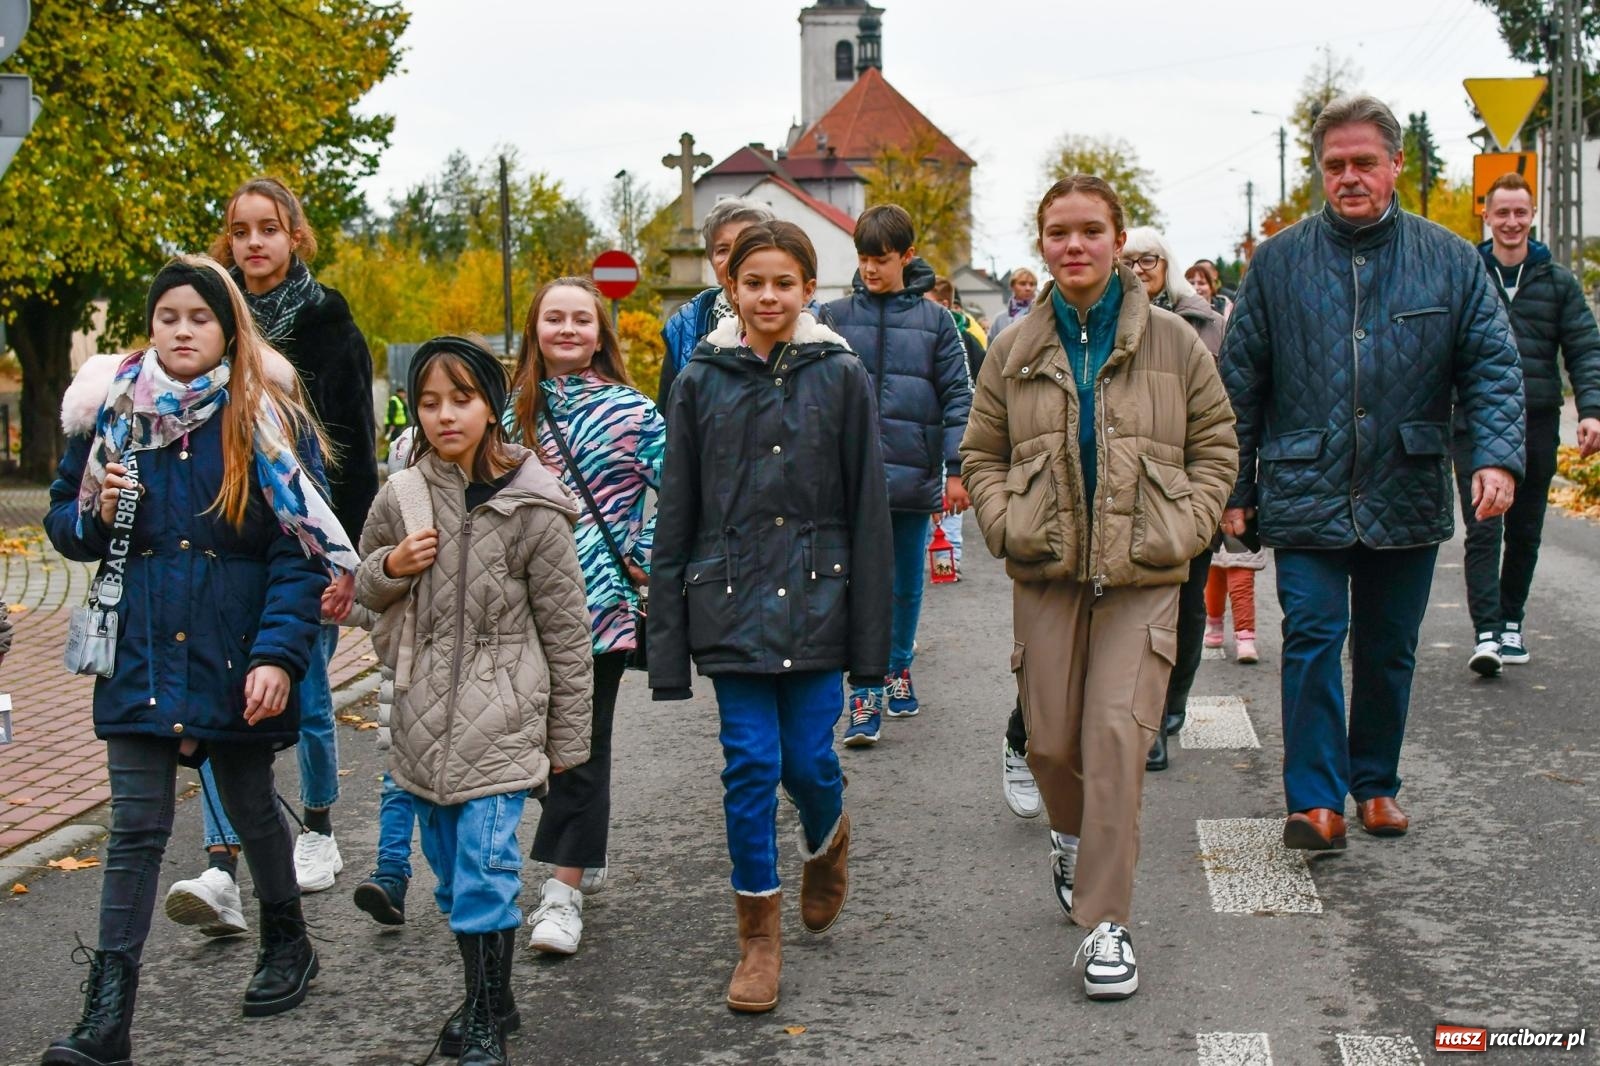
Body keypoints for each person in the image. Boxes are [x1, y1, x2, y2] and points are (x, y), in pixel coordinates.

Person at [41, 256, 351, 1065]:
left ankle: (288, 939)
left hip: (234, 652)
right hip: (138, 652)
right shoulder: (111, 415)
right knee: (135, 831)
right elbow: (65, 527)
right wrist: (96, 512)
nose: (182, 330)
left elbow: (300, 553)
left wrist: (280, 656)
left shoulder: (265, 420)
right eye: (167, 316)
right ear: (150, 325)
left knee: (251, 807)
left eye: (199, 318)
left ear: (226, 329)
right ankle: (107, 1016)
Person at [1221, 94, 1524, 851]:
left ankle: (1375, 784)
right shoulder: (1279, 264)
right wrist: (1234, 490)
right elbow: (1239, 383)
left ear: (1394, 165)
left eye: (1363, 163)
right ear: (1320, 173)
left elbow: (1492, 365)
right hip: (1305, 484)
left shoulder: (1450, 260)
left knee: (1389, 646)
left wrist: (1494, 456)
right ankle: (1316, 802)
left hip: (1405, 482)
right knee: (1316, 637)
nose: (1349, 177)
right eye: (1335, 165)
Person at [962, 175, 1236, 1002]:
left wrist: (1183, 527)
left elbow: (1216, 444)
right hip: (1046, 569)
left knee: (1117, 736)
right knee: (1050, 744)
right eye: (1058, 233)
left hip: (1143, 572)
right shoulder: (1013, 347)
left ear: (1119, 242)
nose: (1074, 246)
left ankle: (1107, 924)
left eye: (1090, 231)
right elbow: (980, 452)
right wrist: (1007, 521)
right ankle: (1071, 838)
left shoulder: (1174, 341)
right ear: (1041, 245)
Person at [648, 221, 893, 1013]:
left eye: (784, 282)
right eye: (754, 281)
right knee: (750, 765)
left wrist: (871, 647)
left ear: (806, 290)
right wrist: (666, 643)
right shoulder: (699, 379)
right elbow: (676, 510)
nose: (768, 296)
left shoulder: (842, 375)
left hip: (822, 600)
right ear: (733, 289)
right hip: (730, 602)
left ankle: (827, 837)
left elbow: (869, 511)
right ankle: (759, 935)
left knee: (807, 763)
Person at [357, 336, 593, 1065]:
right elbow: (364, 593)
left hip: (505, 714)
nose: (444, 416)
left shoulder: (532, 505)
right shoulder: (402, 494)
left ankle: (487, 1024)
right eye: (429, 403)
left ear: (491, 405)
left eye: (461, 399)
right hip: (423, 721)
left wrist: (569, 743)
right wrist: (392, 567)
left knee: (488, 870)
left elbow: (566, 630)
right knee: (455, 882)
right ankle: (493, 999)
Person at [164, 178, 380, 938]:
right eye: (241, 231)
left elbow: (354, 450)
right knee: (216, 696)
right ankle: (221, 865)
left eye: (269, 230)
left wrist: (341, 558)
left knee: (308, 690)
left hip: (300, 544)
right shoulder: (208, 317)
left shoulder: (326, 322)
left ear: (296, 238)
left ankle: (317, 825)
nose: (254, 243)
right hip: (219, 542)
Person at [506, 277, 665, 955]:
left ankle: (562, 894)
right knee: (527, 752)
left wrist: (643, 552)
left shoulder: (634, 413)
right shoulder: (509, 415)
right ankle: (583, 837)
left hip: (597, 611)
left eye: (582, 319)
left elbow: (685, 492)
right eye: (554, 318)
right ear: (535, 331)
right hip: (511, 609)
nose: (568, 329)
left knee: (580, 751)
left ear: (601, 333)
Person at [824, 204, 972, 738]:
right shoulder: (833, 318)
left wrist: (957, 469)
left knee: (906, 584)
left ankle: (897, 667)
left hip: (912, 476)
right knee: (856, 585)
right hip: (848, 482)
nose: (870, 270)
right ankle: (863, 691)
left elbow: (960, 395)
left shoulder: (937, 322)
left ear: (907, 257)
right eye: (863, 259)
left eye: (881, 260)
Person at [1457, 172, 1600, 676]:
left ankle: (1511, 621)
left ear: (1532, 216)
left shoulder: (1556, 281)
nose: (1512, 221)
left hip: (1536, 419)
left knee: (1525, 530)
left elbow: (1584, 348)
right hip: (1472, 421)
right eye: (1503, 212)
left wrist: (1591, 410)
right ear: (1487, 215)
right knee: (1482, 526)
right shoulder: (1467, 273)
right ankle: (1487, 632)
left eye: (1521, 212)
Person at [1120, 227, 1226, 772]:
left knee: (1184, 609)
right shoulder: (1107, 316)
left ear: (1168, 264)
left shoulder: (1205, 324)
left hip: (1186, 489)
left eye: (1150, 259)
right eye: (1130, 259)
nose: (1139, 268)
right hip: (1125, 486)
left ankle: (1168, 705)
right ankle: (1147, 719)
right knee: (1139, 611)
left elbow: (1226, 414)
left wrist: (1218, 495)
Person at [656, 197, 777, 410]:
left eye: (746, 245)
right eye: (722, 250)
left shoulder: (807, 321)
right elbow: (669, 416)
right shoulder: (686, 326)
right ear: (711, 260)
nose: (733, 259)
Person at [928, 275, 987, 580]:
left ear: (947, 304)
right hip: (925, 426)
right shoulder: (919, 333)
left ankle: (950, 557)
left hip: (952, 426)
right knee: (927, 497)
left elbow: (981, 377)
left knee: (950, 498)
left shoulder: (965, 339)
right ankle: (930, 551)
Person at [1205, 529, 1266, 664]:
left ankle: (1244, 635)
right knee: (1214, 581)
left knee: (1241, 585)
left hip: (1244, 528)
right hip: (1214, 526)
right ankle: (1214, 624)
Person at [989, 267, 1039, 338]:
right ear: (1012, 286)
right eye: (1022, 283)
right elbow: (992, 347)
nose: (1028, 288)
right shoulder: (1000, 319)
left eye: (1032, 284)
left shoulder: (1042, 313)